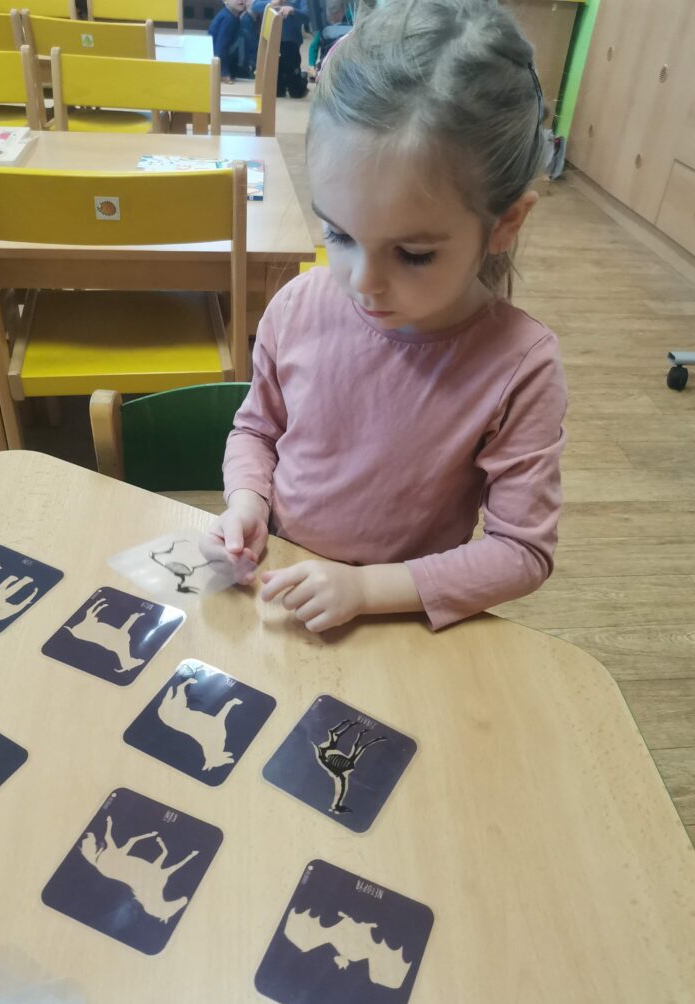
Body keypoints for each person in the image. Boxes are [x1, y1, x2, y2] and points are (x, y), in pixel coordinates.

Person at [205, 0, 568, 634]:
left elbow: (522, 551)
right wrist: (247, 503)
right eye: (338, 234)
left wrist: (366, 589)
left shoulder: (520, 366)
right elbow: (257, 430)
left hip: (399, 622)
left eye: (413, 253)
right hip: (283, 587)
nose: (362, 282)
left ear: (505, 223)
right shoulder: (297, 306)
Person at [253, 0, 309, 97]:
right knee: (276, 91)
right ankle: (283, 83)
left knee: (296, 93)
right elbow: (255, 6)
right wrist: (272, 2)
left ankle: (302, 78)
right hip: (271, 40)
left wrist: (292, 10)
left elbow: (307, 16)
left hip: (291, 42)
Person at [308, 0, 351, 82]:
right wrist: (311, 66)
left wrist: (311, 65)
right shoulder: (324, 31)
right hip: (329, 64)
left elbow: (313, 47)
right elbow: (313, 47)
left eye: (336, 12)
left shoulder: (349, 20)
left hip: (344, 63)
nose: (334, 15)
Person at [208, 0, 248, 84]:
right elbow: (221, 47)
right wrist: (223, 72)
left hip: (227, 61)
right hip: (217, 63)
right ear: (225, 1)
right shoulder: (228, 19)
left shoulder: (233, 15)